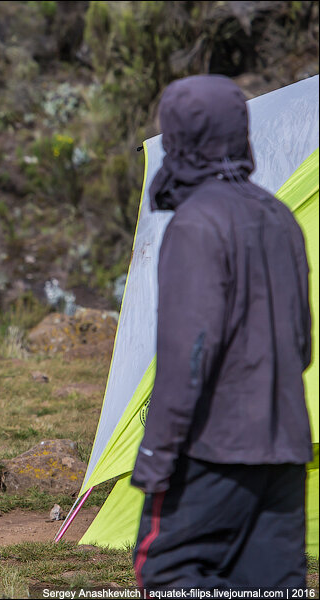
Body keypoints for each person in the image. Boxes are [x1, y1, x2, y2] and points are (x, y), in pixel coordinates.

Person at [131, 75, 312, 592]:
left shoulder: (195, 223)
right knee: (272, 584)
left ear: (178, 137)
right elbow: (301, 344)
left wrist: (155, 457)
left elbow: (187, 358)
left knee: (168, 572)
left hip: (211, 450)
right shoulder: (280, 216)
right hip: (285, 448)